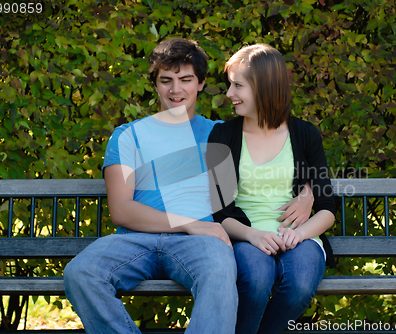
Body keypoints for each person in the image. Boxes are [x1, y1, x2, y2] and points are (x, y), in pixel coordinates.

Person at [64, 38, 313, 334]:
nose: (175, 90)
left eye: (185, 80)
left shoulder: (219, 135)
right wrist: (187, 223)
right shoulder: (127, 136)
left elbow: (270, 163)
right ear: (155, 85)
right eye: (165, 80)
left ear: (201, 83)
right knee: (80, 273)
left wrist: (308, 190)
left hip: (201, 242)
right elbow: (121, 210)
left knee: (221, 272)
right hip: (136, 239)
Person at [207, 44, 336, 334]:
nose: (229, 94)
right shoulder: (222, 136)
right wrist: (252, 234)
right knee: (255, 280)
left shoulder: (304, 134)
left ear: (264, 87)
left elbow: (328, 208)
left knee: (301, 284)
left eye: (238, 86)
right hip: (245, 237)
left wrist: (299, 233)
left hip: (300, 238)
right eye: (230, 84)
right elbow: (219, 212)